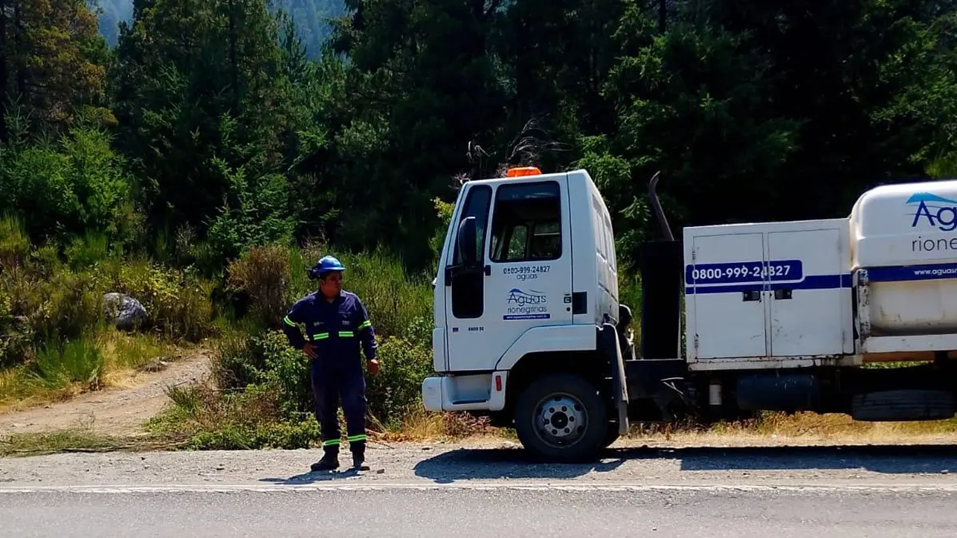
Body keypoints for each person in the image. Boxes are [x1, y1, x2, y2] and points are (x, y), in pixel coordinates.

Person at [281, 255, 380, 471]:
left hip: (350, 369)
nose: (338, 282)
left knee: (355, 408)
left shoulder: (352, 302)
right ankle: (330, 457)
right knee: (326, 410)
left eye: (340, 278)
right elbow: (288, 323)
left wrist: (372, 355)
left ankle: (358, 457)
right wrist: (301, 344)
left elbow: (366, 331)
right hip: (323, 369)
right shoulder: (308, 305)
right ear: (322, 281)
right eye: (334, 278)